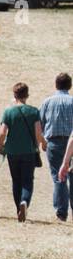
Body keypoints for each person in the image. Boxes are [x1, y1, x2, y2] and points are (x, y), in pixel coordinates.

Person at [0, 83, 46, 223]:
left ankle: (19, 207)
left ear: (14, 95)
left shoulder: (8, 112)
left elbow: (2, 132)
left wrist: (0, 145)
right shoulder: (34, 111)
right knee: (27, 180)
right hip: (29, 151)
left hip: (12, 151)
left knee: (16, 180)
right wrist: (43, 143)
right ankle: (25, 202)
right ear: (27, 95)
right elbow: (38, 132)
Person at [37, 73, 73, 222]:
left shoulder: (47, 102)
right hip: (72, 141)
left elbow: (40, 122)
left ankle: (61, 212)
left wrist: (43, 141)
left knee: (58, 177)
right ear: (70, 86)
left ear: (56, 85)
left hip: (54, 142)